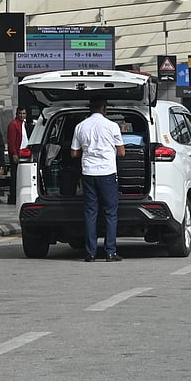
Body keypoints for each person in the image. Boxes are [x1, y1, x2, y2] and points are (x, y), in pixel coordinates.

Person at [71, 97, 125, 262]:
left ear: (90, 108)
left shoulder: (80, 126)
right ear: (104, 109)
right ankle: (110, 252)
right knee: (110, 213)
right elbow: (122, 152)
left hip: (88, 173)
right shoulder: (112, 126)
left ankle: (90, 253)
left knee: (90, 213)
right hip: (107, 173)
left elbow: (74, 153)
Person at [6, 107, 29, 204]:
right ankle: (13, 196)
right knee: (15, 175)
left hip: (24, 152)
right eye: (20, 113)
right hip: (17, 153)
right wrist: (14, 154)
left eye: (24, 113)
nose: (22, 115)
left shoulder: (24, 124)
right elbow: (11, 141)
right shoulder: (13, 124)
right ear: (16, 114)